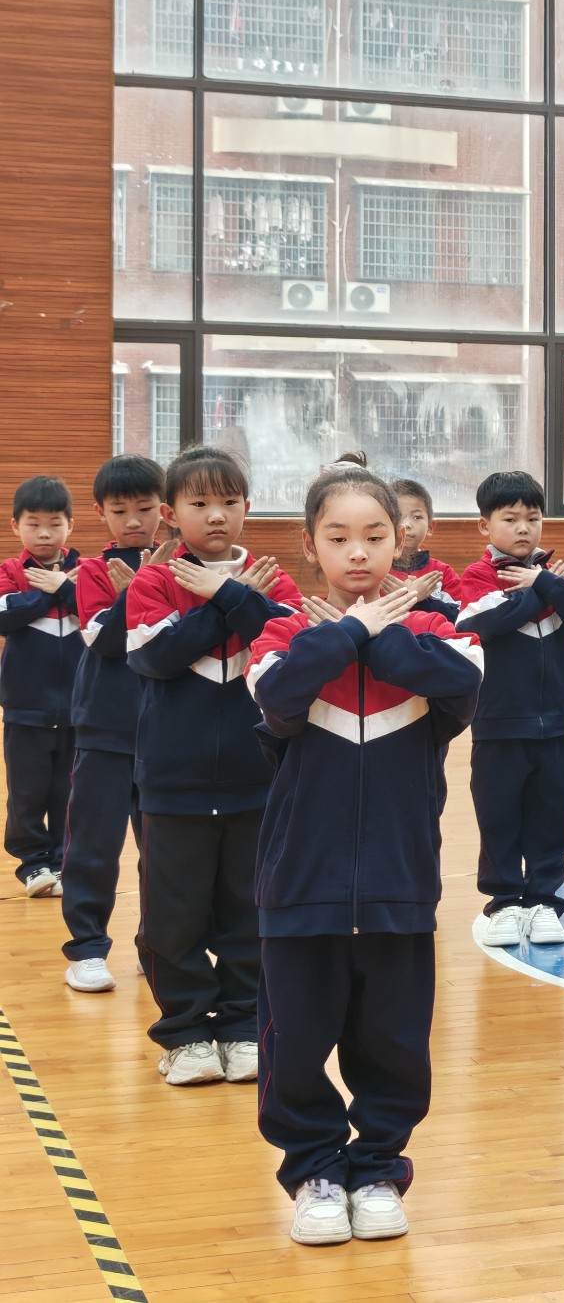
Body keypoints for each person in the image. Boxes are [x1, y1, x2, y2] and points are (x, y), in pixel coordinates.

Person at [247, 465, 484, 1247]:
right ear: (310, 545)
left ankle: (378, 1169)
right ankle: (315, 1171)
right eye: (339, 537)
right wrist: (346, 633)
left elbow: (459, 686)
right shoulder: (283, 636)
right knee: (295, 1043)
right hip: (299, 885)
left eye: (375, 536)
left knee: (394, 1043)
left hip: (399, 883)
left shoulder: (442, 631)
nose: (358, 553)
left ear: (401, 539)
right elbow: (279, 696)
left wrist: (382, 633)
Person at [126, 445, 300, 1086]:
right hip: (173, 785)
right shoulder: (153, 581)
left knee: (247, 913)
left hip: (257, 784)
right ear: (171, 514)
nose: (217, 515)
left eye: (229, 502)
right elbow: (156, 657)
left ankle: (240, 1026)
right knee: (172, 919)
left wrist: (228, 591)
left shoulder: (272, 580)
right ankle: (185, 1034)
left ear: (247, 508)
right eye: (199, 503)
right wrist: (227, 603)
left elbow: (289, 644)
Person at [454, 471, 564, 949]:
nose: (523, 527)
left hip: (557, 726)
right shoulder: (477, 578)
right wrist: (541, 588)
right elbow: (485, 622)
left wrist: (545, 580)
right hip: (498, 727)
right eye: (510, 518)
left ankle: (543, 902)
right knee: (498, 817)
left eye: (533, 518)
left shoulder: (556, 575)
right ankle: (503, 902)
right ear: (485, 525)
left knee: (553, 816)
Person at [59, 455, 167, 991]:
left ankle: (158, 946)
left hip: (165, 732)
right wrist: (135, 591)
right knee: (93, 845)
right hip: (104, 727)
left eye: (144, 508)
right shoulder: (93, 571)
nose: (133, 520)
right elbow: (104, 641)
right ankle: (86, 947)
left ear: (164, 509)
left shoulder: (180, 566)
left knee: (163, 852)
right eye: (120, 510)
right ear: (100, 513)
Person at [0, 475, 82, 897]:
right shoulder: (10, 572)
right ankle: (34, 865)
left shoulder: (87, 572)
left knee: (69, 793)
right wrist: (51, 593)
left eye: (55, 523)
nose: (45, 533)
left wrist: (67, 587)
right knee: (27, 793)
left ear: (71, 524)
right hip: (26, 709)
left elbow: (101, 612)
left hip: (79, 710)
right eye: (34, 524)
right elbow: (4, 615)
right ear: (16, 526)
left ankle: (64, 863)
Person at [389, 477, 460, 604]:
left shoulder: (442, 573)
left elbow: (459, 612)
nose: (407, 524)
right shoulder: (375, 569)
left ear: (430, 527)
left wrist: (417, 599)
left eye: (416, 517)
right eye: (398, 517)